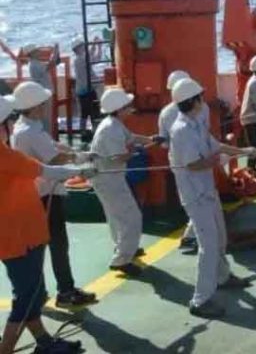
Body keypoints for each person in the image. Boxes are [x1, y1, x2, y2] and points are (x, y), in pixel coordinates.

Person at [1, 95, 94, 354]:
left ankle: (44, 342)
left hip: (18, 233)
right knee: (27, 297)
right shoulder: (5, 155)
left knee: (33, 293)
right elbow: (45, 170)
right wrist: (81, 170)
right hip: (20, 236)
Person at [168, 77, 256, 318]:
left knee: (220, 237)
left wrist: (243, 152)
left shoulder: (195, 123)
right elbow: (194, 164)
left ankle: (223, 276)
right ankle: (200, 299)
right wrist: (220, 161)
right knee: (208, 246)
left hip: (207, 190)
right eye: (200, 97)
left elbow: (215, 146)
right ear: (193, 101)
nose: (203, 100)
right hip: (195, 196)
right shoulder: (182, 131)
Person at [9, 81, 97, 308]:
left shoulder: (26, 127)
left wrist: (73, 151)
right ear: (36, 106)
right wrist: (79, 161)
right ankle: (64, 291)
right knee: (57, 245)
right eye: (43, 103)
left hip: (39, 194)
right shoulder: (30, 131)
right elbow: (52, 160)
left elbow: (51, 146)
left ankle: (44, 292)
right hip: (45, 196)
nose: (47, 106)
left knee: (45, 246)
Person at [91, 88, 154, 276]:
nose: (131, 108)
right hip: (109, 179)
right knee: (131, 217)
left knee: (117, 218)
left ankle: (125, 248)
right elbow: (117, 157)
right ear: (119, 109)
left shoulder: (115, 124)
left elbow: (131, 138)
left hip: (110, 177)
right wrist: (135, 153)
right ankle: (121, 259)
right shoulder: (111, 129)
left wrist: (150, 140)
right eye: (128, 106)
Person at [158, 69, 201, 254]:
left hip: (179, 162)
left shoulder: (165, 114)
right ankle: (191, 236)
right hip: (196, 160)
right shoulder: (200, 108)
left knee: (192, 200)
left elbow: (164, 143)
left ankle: (192, 235)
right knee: (199, 200)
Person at [70, 37, 100, 139]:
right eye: (82, 46)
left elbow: (96, 59)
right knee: (85, 112)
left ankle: (93, 131)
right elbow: (90, 55)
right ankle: (83, 132)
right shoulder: (79, 60)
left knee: (93, 112)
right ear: (77, 49)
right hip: (84, 91)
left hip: (88, 89)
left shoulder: (82, 59)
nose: (84, 47)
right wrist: (95, 44)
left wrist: (98, 46)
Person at [25, 44, 59, 132]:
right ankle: (47, 140)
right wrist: (55, 51)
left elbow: (53, 63)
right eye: (36, 51)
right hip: (43, 96)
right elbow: (51, 64)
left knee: (45, 120)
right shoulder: (34, 65)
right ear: (31, 53)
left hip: (43, 95)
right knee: (46, 121)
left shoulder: (35, 63)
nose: (39, 52)